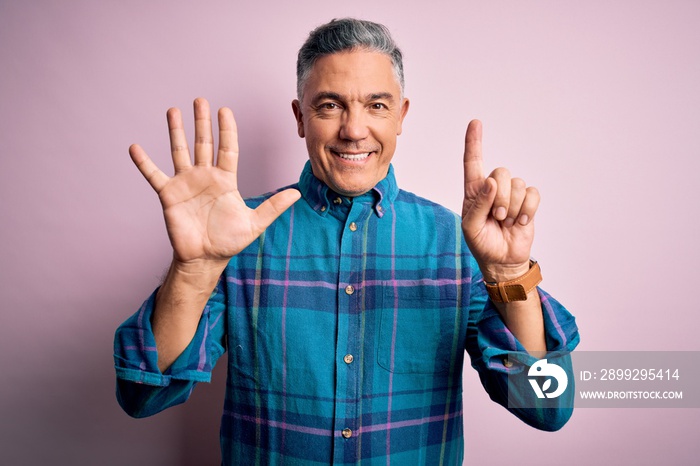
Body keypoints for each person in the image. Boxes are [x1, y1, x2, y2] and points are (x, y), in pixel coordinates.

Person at [114, 18, 579, 464]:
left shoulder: (459, 244)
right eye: (330, 105)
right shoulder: (238, 236)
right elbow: (142, 395)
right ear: (300, 117)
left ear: (401, 115)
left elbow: (545, 406)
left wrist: (509, 275)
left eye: (376, 105)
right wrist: (195, 270)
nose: (354, 129)